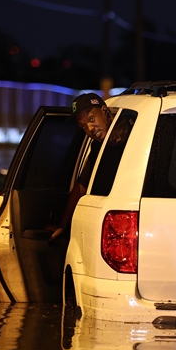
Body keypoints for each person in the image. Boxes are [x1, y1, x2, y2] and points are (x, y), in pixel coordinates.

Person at [46, 92, 114, 241]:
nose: (90, 128)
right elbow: (82, 184)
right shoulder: (97, 147)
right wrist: (63, 224)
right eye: (83, 126)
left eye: (91, 119)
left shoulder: (125, 139)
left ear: (104, 110)